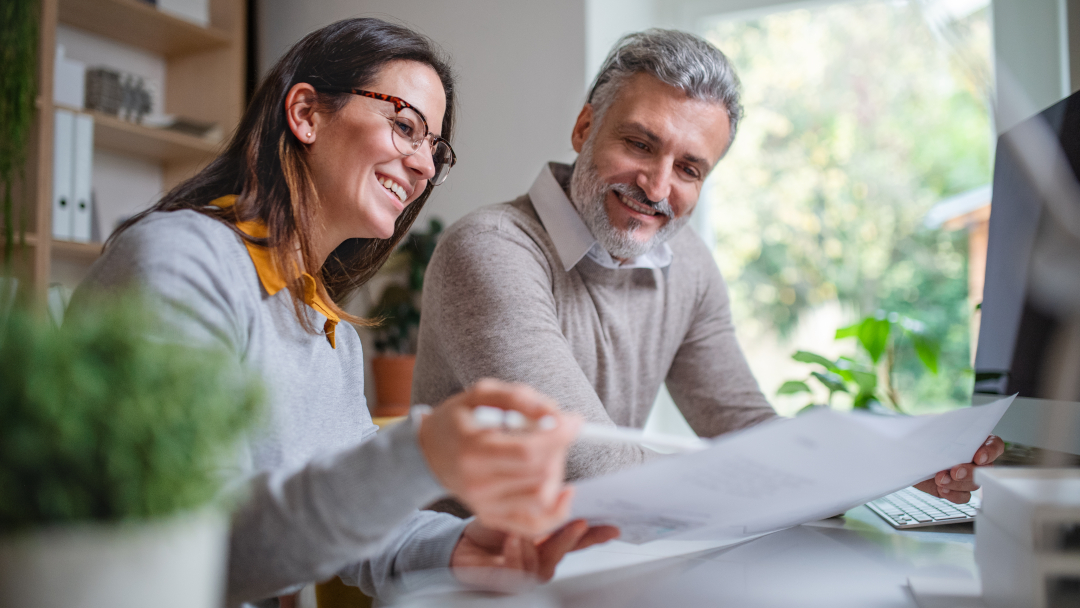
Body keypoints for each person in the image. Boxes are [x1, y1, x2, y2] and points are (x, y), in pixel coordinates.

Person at [72, 18, 616, 607]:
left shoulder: (325, 328)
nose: (425, 168)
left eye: (435, 148)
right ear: (305, 113)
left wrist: (464, 545)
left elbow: (361, 532)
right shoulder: (181, 261)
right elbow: (194, 544)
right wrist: (419, 452)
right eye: (404, 126)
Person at [412, 29, 1004, 502]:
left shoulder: (684, 262)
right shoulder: (491, 249)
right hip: (466, 574)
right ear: (585, 127)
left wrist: (891, 465)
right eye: (640, 144)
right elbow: (589, 466)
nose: (658, 186)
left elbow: (741, 424)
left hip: (599, 561)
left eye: (690, 169)